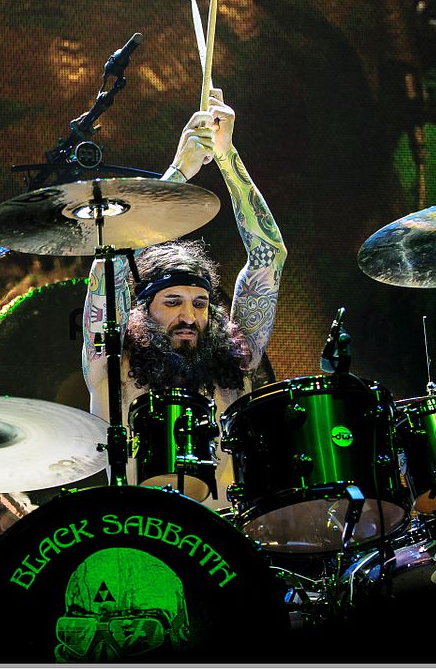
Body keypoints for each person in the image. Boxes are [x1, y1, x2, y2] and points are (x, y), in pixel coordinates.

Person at [82, 88, 287, 511]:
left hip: (224, 539)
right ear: (142, 310)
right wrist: (180, 171)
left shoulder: (235, 361)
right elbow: (111, 262)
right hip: (138, 532)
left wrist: (228, 158)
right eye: (172, 302)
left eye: (199, 303)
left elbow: (270, 254)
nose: (189, 316)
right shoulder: (113, 361)